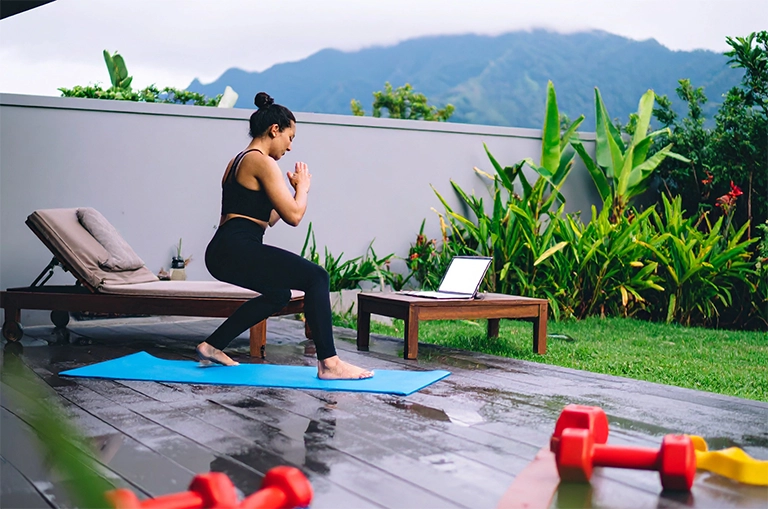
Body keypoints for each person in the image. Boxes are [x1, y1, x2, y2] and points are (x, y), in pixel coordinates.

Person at [196, 92, 374, 380]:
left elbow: (267, 218)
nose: (290, 147)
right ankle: (329, 364)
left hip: (223, 248)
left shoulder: (237, 161)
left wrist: (292, 192)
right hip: (236, 245)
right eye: (290, 138)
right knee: (317, 277)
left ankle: (212, 345)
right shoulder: (262, 161)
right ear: (274, 130)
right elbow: (293, 216)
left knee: (278, 294)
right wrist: (303, 188)